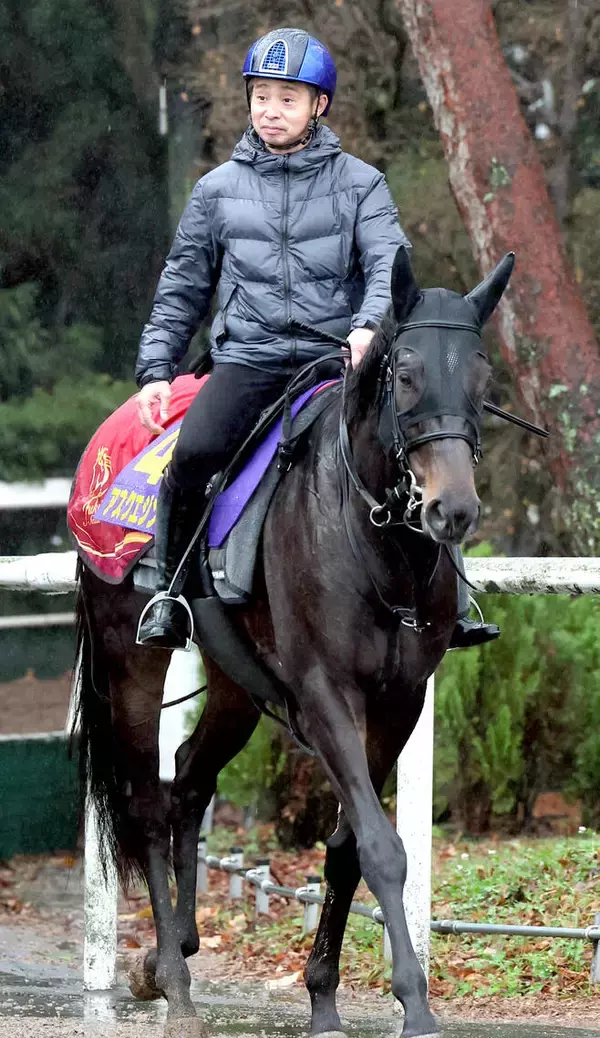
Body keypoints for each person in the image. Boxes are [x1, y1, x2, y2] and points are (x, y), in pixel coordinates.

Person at [135, 26, 498, 652]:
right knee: (192, 454)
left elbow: (390, 266)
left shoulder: (362, 185)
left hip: (340, 361)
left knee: (420, 437)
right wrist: (156, 369)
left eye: (287, 98)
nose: (271, 110)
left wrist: (366, 327)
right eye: (261, 97)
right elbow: (182, 288)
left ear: (318, 106)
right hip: (250, 361)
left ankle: (456, 598)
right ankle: (170, 594)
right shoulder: (215, 192)